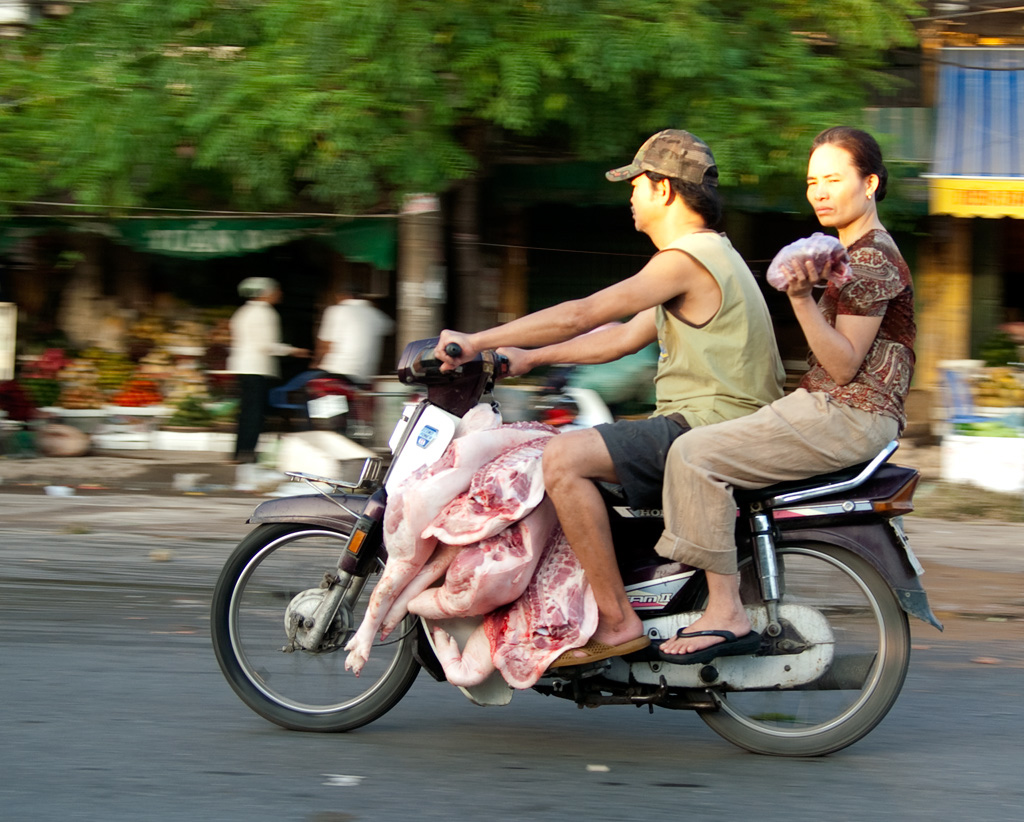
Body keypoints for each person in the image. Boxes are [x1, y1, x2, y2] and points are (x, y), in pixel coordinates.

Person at [436, 129, 785, 665]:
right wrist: (527, 358)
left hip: (707, 424)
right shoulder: (711, 257)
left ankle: (617, 621)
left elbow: (584, 313)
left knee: (563, 458)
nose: (631, 196)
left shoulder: (687, 258)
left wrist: (475, 340)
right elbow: (620, 338)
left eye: (637, 184)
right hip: (714, 420)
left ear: (664, 189)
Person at [655, 126, 915, 664]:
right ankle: (738, 600)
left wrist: (800, 299)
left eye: (834, 179)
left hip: (849, 414)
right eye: (812, 182)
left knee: (694, 454)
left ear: (869, 184)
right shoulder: (848, 253)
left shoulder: (872, 259)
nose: (820, 192)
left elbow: (843, 365)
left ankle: (724, 612)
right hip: (829, 408)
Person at [227, 277, 310, 464]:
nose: (279, 294)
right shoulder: (265, 313)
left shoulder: (244, 311)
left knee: (247, 412)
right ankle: (246, 452)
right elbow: (265, 345)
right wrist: (293, 351)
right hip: (256, 368)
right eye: (276, 290)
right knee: (254, 413)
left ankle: (240, 452)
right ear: (265, 293)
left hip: (243, 366)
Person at [312, 290, 395, 383]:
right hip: (364, 378)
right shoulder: (378, 314)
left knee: (301, 381)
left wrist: (315, 363)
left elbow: (325, 345)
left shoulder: (336, 310)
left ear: (343, 296)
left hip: (336, 371)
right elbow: (390, 328)